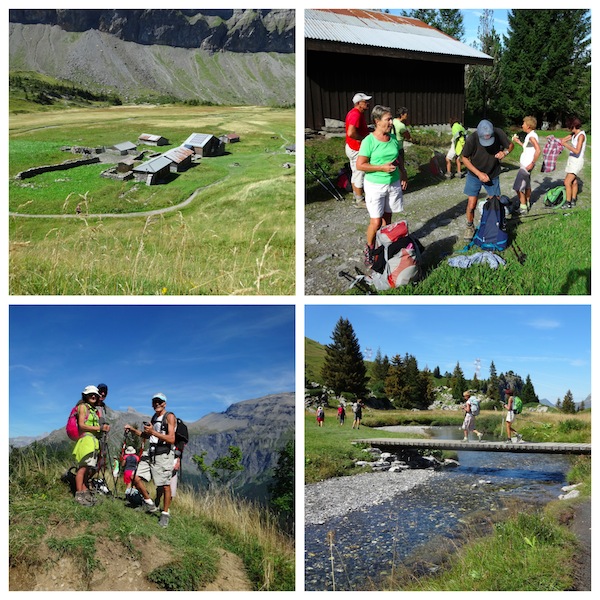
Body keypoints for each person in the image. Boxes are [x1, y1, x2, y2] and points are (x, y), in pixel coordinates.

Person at [356, 104, 408, 266]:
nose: (391, 122)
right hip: (375, 186)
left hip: (392, 183)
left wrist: (402, 172)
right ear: (377, 121)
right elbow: (360, 165)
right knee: (376, 221)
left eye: (391, 119)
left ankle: (386, 247)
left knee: (388, 218)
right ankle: (370, 249)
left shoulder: (392, 139)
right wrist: (381, 168)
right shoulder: (369, 141)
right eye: (388, 119)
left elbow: (397, 157)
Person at [125, 392, 176, 527]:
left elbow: (172, 439)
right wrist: (132, 430)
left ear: (164, 403)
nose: (157, 404)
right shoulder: (154, 417)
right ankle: (149, 504)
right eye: (154, 402)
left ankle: (165, 514)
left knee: (165, 485)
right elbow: (147, 436)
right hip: (151, 452)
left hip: (163, 454)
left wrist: (153, 432)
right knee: (135, 477)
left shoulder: (169, 417)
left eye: (160, 402)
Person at [460, 119, 514, 241]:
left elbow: (511, 145)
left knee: (495, 201)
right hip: (475, 175)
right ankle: (469, 226)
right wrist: (479, 174)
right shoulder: (472, 139)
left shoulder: (499, 133)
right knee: (472, 203)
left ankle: (494, 224)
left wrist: (504, 153)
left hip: (493, 174)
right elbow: (464, 158)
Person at [72, 385, 111, 506]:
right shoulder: (83, 407)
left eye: (95, 394)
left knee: (88, 467)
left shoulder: (93, 409)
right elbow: (82, 425)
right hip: (86, 441)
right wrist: (100, 427)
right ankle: (79, 495)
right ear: (86, 396)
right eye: (91, 394)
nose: (93, 396)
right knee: (83, 468)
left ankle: (84, 493)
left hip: (93, 442)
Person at [345, 92, 372, 207]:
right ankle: (360, 200)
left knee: (355, 172)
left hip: (351, 147)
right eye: (365, 101)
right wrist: (363, 139)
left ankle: (355, 196)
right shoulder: (356, 114)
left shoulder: (355, 113)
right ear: (358, 103)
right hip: (356, 148)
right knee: (360, 172)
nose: (367, 103)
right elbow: (351, 132)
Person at [511, 116, 541, 214]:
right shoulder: (531, 135)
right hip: (527, 165)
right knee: (527, 185)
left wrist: (532, 163)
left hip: (526, 166)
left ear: (528, 126)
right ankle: (527, 203)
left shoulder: (532, 136)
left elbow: (538, 150)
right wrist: (518, 142)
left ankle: (523, 207)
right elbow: (527, 148)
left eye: (523, 123)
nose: (522, 125)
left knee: (517, 187)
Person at [560, 117, 586, 208]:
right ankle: (573, 200)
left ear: (573, 125)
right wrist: (552, 138)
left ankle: (568, 203)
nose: (568, 128)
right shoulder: (574, 134)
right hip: (572, 160)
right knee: (574, 182)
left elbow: (577, 151)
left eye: (569, 126)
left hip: (577, 161)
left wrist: (566, 145)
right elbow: (562, 140)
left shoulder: (581, 136)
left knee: (567, 182)